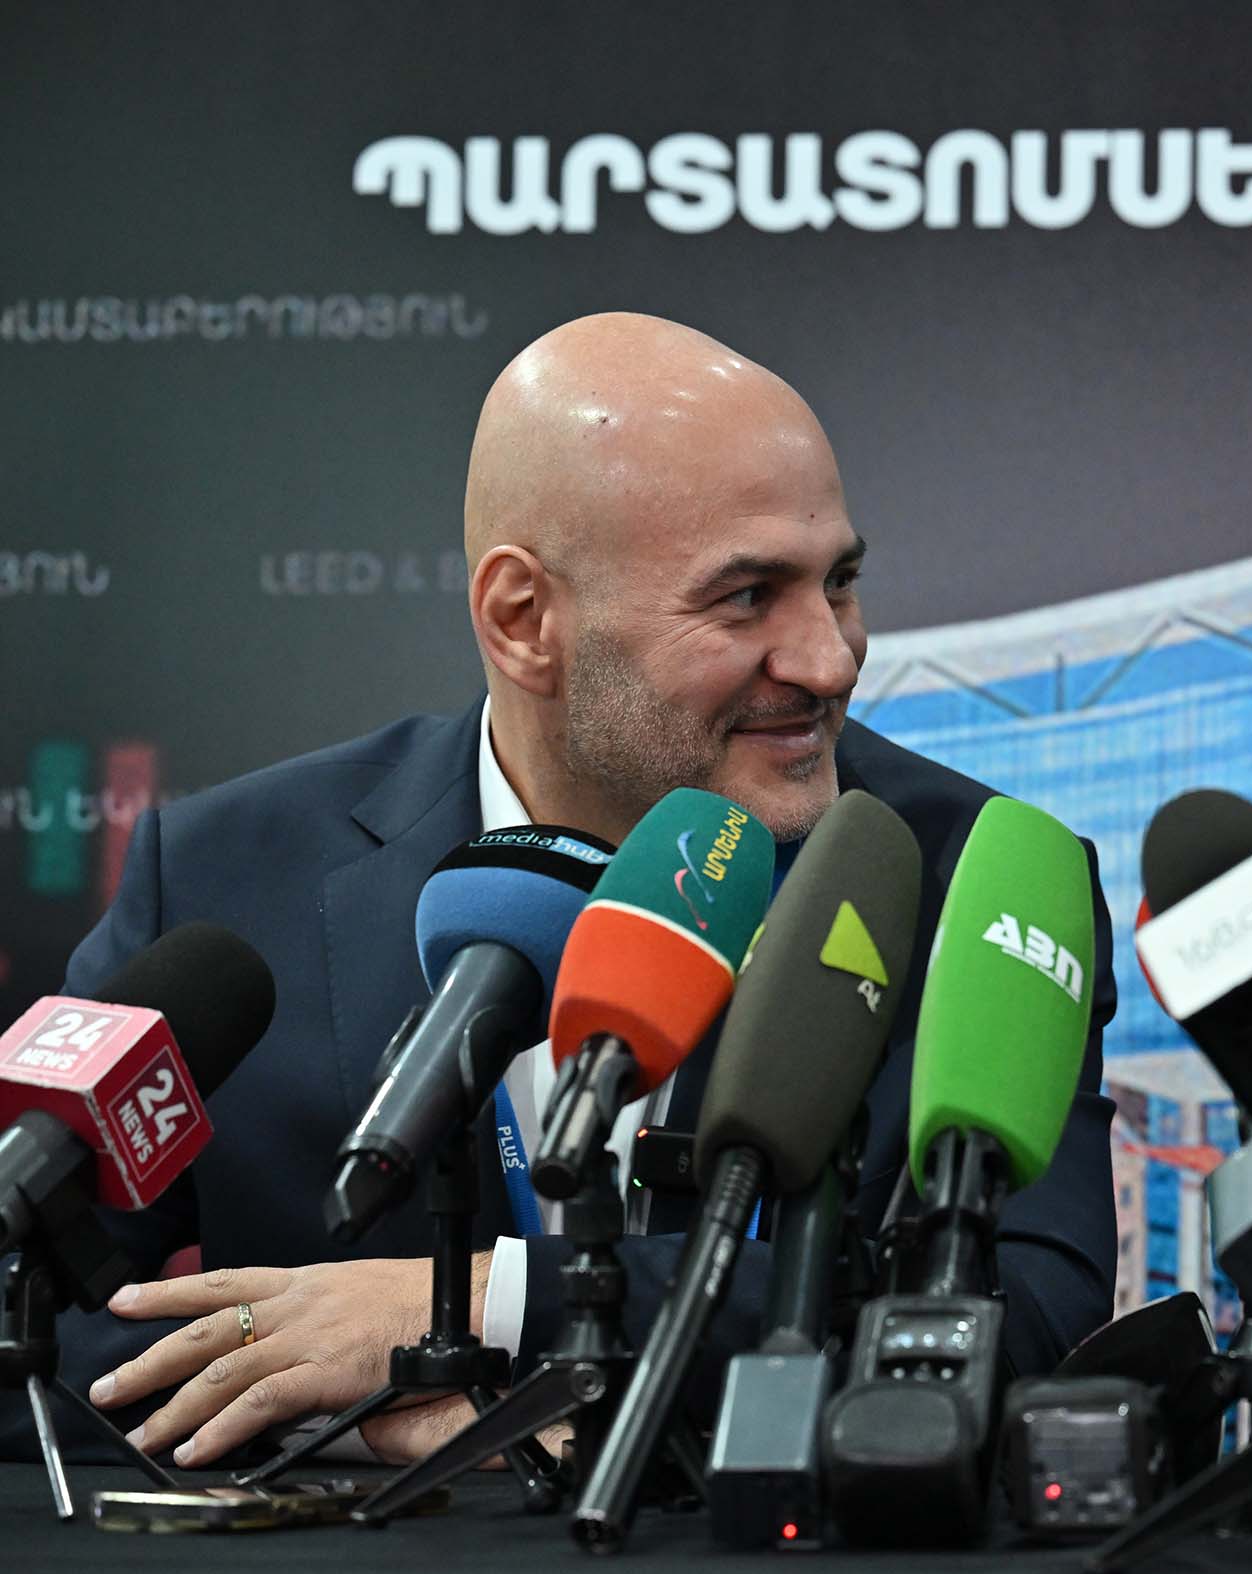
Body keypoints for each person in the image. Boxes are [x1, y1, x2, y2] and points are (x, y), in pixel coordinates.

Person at [6, 313, 1118, 1471]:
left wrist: (485, 1305)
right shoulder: (225, 877)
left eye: (838, 581)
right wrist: (342, 1411)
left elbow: (1022, 1311)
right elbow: (22, 1313)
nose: (830, 658)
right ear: (523, 620)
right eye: (747, 596)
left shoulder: (969, 878)